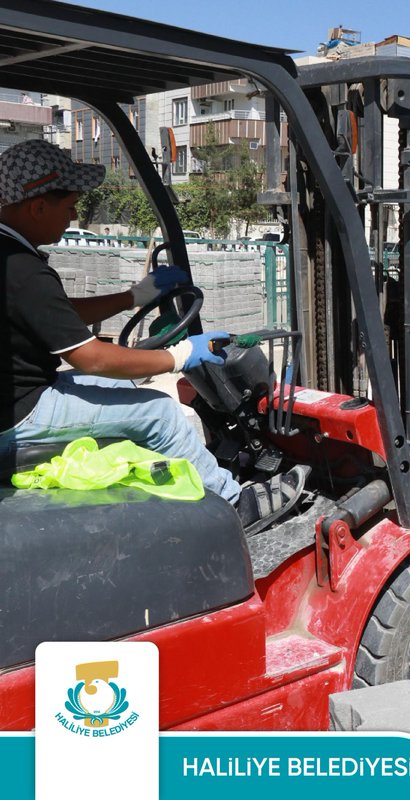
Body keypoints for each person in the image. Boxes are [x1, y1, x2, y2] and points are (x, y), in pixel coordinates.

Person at [0, 139, 264, 525]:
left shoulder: (11, 258)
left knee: (122, 385)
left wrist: (135, 296)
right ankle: (236, 507)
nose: (73, 216)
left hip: (18, 399)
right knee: (161, 413)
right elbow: (91, 358)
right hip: (20, 416)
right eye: (70, 206)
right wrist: (178, 356)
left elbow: (60, 313)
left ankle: (170, 497)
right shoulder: (23, 270)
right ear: (38, 207)